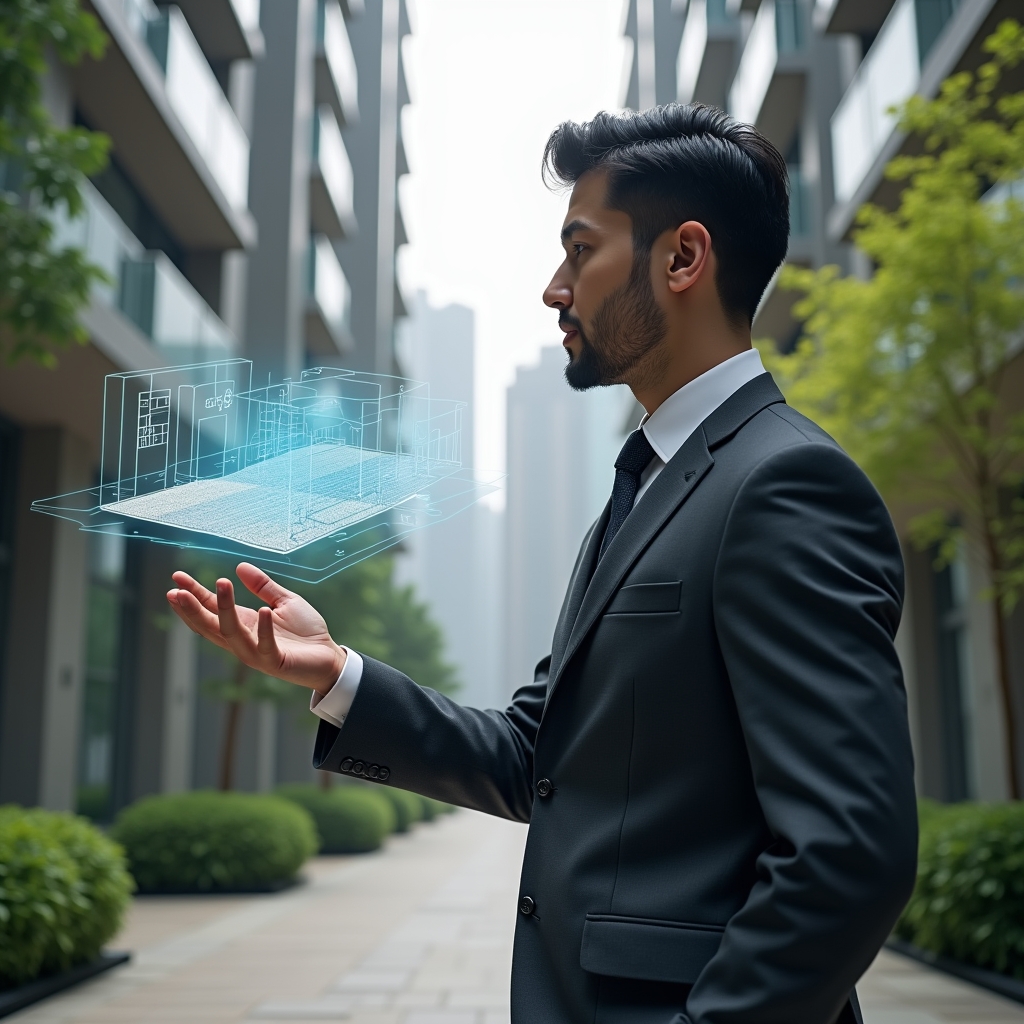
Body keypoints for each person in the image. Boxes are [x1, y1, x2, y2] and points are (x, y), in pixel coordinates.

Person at [167, 104, 917, 1024]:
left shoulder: (786, 484)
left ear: (683, 259)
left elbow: (849, 852)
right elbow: (539, 758)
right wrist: (341, 677)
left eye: (580, 250)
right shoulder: (646, 489)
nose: (555, 289)